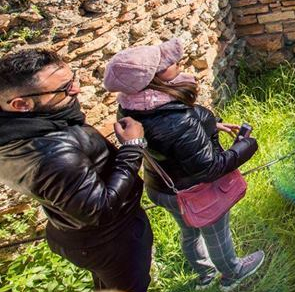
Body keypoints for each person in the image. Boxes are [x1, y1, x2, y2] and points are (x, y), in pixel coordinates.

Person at [103, 39, 264, 291]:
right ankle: (233, 273)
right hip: (196, 190)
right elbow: (208, 168)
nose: (174, 62)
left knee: (189, 232)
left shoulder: (131, 105)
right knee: (216, 233)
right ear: (152, 79)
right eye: (163, 64)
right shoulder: (175, 120)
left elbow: (169, 136)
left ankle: (204, 273)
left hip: (164, 188)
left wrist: (211, 124)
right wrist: (246, 146)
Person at [0, 48, 153, 292]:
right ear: (21, 104)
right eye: (64, 89)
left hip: (76, 233)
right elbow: (100, 210)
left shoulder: (20, 130)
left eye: (73, 80)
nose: (76, 90)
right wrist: (132, 148)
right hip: (110, 240)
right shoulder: (52, 155)